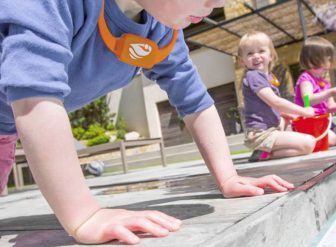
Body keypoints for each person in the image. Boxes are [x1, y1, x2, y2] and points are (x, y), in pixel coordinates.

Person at [0, 1, 294, 245]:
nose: (218, 2)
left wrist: (228, 177)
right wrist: (84, 215)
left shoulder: (160, 29)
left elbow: (195, 101)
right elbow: (34, 99)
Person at [238, 31, 316, 162]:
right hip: (261, 133)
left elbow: (273, 107)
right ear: (242, 61)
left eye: (261, 51)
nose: (256, 56)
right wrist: (305, 111)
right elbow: (275, 102)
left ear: (271, 56)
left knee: (287, 120)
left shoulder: (268, 77)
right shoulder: (254, 76)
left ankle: (264, 152)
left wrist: (288, 115)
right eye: (250, 53)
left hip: (271, 129)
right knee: (309, 143)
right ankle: (264, 153)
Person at [294, 36, 336, 146]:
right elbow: (308, 100)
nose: (329, 62)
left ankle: (321, 138)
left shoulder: (324, 83)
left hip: (324, 121)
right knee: (332, 140)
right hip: (310, 123)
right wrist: (330, 93)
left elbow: (329, 107)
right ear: (313, 61)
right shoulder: (306, 79)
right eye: (327, 58)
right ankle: (308, 141)